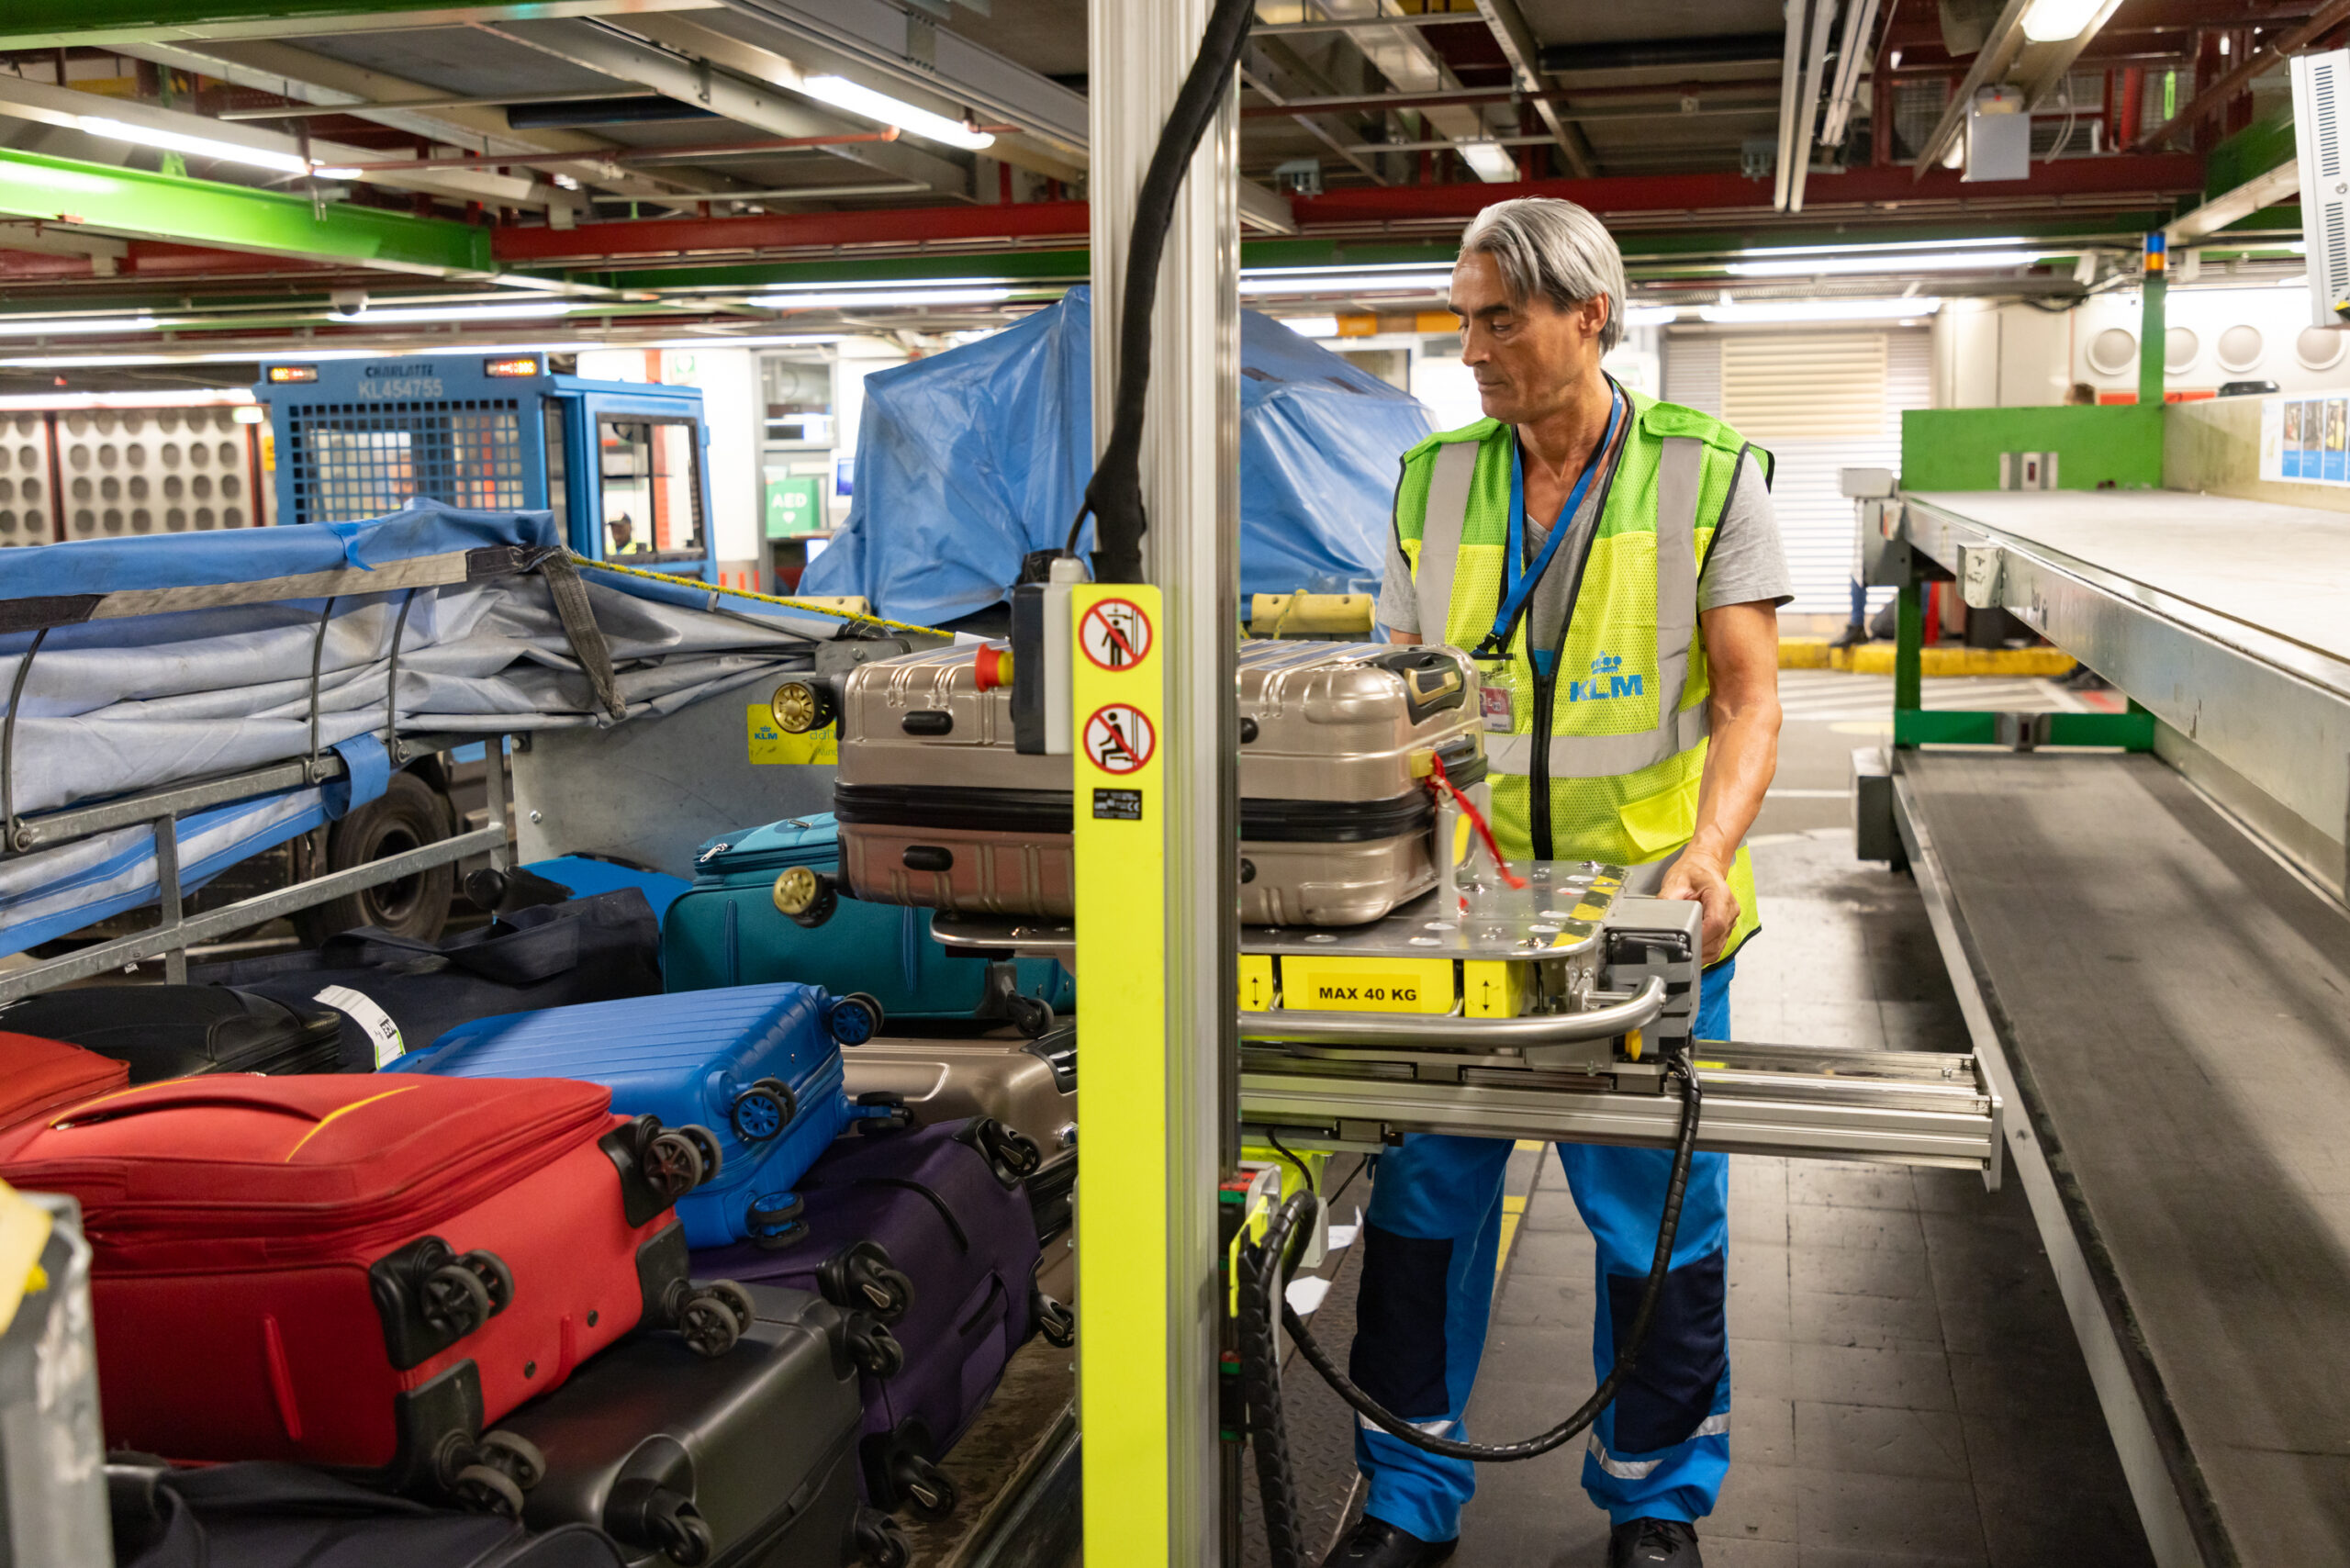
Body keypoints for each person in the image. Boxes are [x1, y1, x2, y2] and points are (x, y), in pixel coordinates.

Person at [1337, 198, 1789, 1568]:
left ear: (1591, 314)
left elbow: (1750, 700)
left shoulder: (1707, 474)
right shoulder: (1433, 482)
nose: (1471, 349)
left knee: (1653, 1220)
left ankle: (1654, 1504)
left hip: (1646, 917)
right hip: (1461, 922)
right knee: (1420, 1218)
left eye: (1501, 320)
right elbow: (1389, 702)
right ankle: (1408, 1505)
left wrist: (1703, 857)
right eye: (1463, 320)